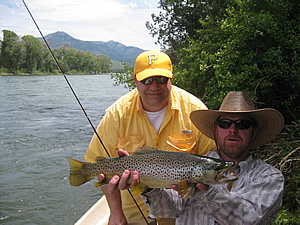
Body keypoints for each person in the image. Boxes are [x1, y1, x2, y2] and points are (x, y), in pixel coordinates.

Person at [108, 91, 285, 225]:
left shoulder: (270, 178)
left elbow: (248, 219)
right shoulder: (192, 164)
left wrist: (207, 191)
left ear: (254, 131)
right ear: (216, 129)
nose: (233, 129)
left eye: (243, 124)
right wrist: (147, 187)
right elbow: (168, 210)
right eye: (225, 123)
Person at [85, 50, 216, 225]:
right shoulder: (116, 114)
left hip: (182, 217)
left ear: (171, 78)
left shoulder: (195, 111)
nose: (154, 86)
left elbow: (212, 163)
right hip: (134, 216)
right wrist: (116, 213)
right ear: (135, 80)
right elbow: (100, 169)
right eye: (146, 80)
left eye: (161, 80)